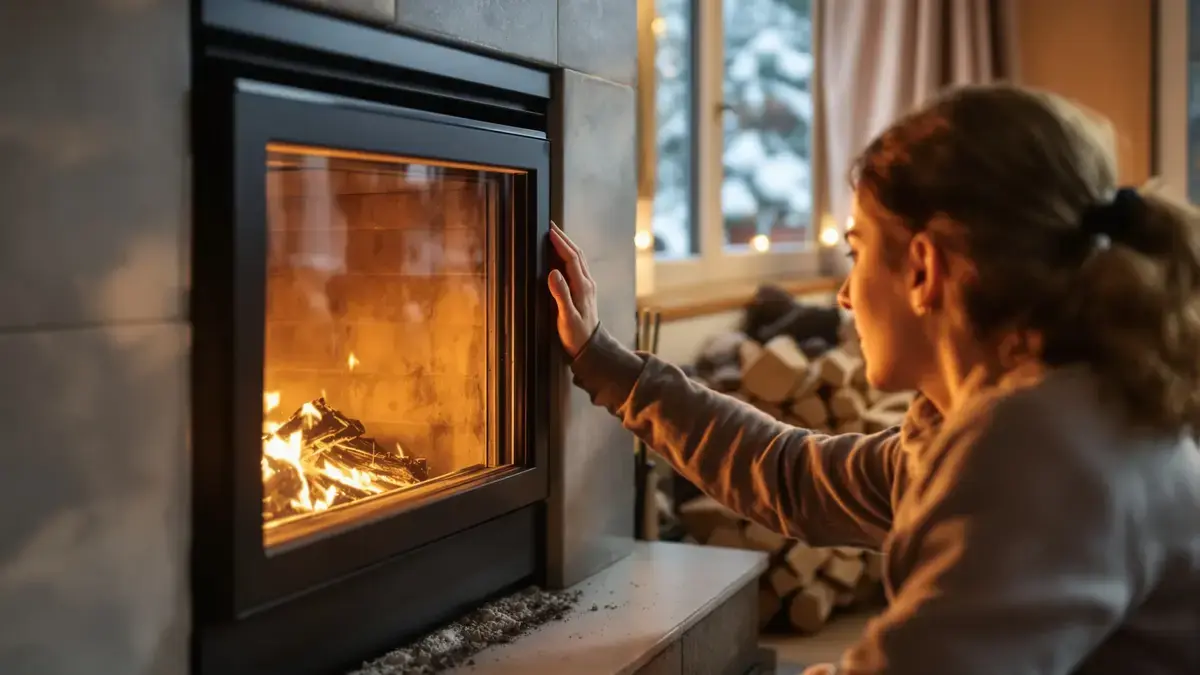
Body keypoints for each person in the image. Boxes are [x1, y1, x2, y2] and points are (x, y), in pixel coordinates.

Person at [547, 84, 1200, 675]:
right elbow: (789, 473)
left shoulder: (1047, 445)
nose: (844, 295)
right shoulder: (977, 423)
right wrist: (603, 360)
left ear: (923, 269)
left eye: (857, 252)